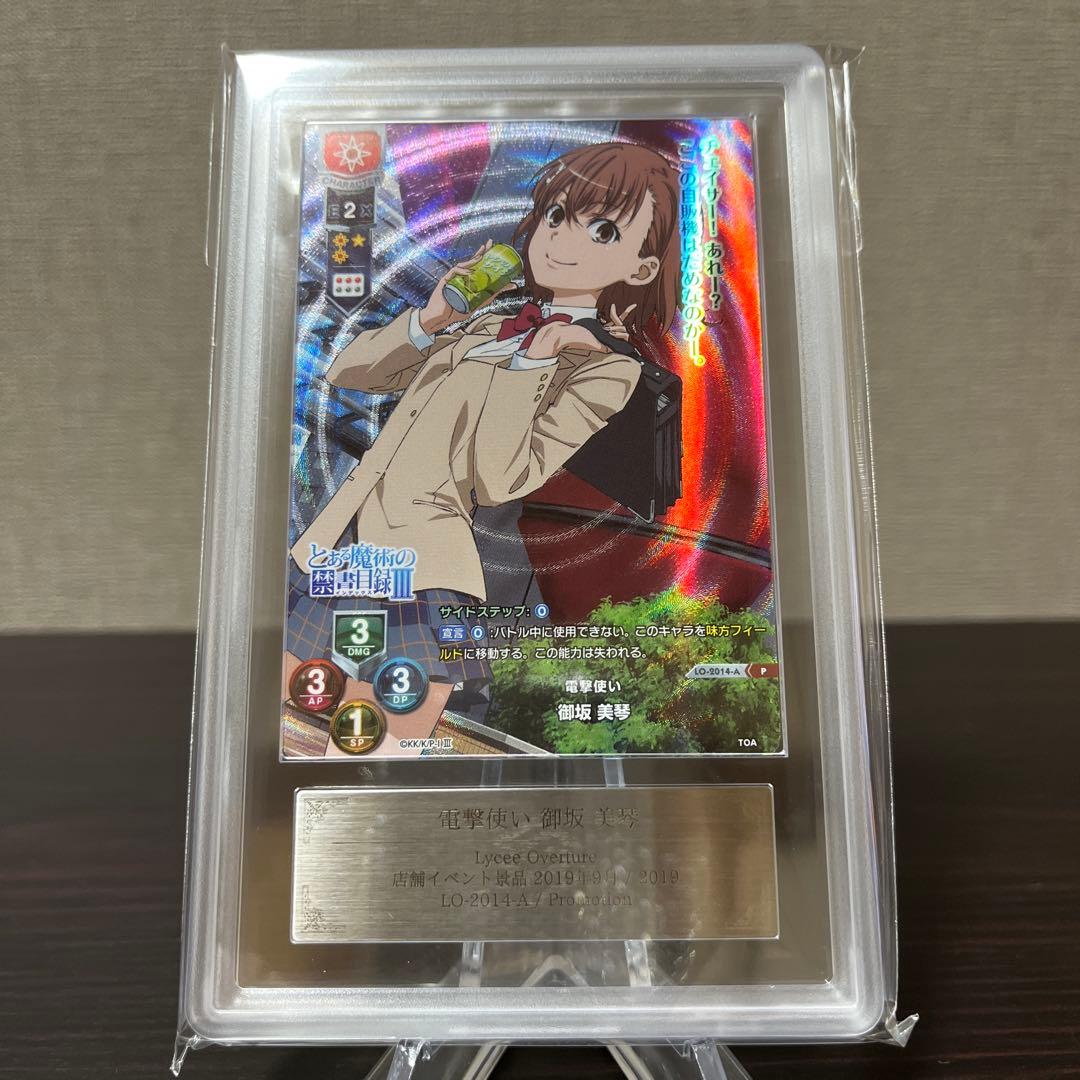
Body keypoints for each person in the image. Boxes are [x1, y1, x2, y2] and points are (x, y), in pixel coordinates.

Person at [288, 141, 681, 726]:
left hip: (421, 568)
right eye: (556, 215)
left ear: (640, 269)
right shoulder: (490, 322)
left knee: (389, 737)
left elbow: (501, 478)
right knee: (290, 724)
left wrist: (534, 362)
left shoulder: (606, 369)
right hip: (333, 545)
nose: (562, 240)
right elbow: (350, 372)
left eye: (602, 231)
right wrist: (433, 319)